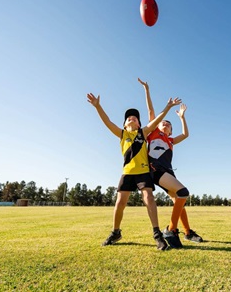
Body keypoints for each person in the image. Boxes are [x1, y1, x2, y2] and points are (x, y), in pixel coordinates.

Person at [87, 91, 181, 250]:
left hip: (143, 172)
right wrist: (98, 106)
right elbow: (107, 121)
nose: (132, 118)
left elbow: (157, 119)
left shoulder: (143, 133)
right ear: (124, 124)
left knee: (148, 197)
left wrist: (168, 107)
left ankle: (157, 235)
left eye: (135, 117)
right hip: (128, 173)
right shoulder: (122, 134)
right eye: (128, 117)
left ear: (139, 124)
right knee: (120, 203)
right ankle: (116, 232)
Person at [138, 78, 204, 248]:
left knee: (179, 203)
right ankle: (171, 229)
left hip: (168, 172)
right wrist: (147, 89)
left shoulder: (170, 141)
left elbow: (186, 134)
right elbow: (151, 110)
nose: (165, 124)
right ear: (157, 126)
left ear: (170, 130)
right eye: (163, 123)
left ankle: (188, 232)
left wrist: (182, 117)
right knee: (183, 192)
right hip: (155, 170)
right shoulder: (152, 134)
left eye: (168, 124)